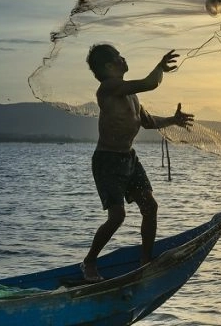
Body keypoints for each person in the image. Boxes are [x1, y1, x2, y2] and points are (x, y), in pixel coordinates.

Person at [80, 44, 194, 282]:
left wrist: (173, 120)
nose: (124, 58)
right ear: (109, 66)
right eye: (119, 57)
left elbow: (148, 122)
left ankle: (145, 260)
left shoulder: (131, 94)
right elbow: (150, 83)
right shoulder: (108, 88)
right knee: (117, 216)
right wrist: (160, 67)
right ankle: (89, 261)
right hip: (108, 161)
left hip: (129, 159)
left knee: (150, 207)